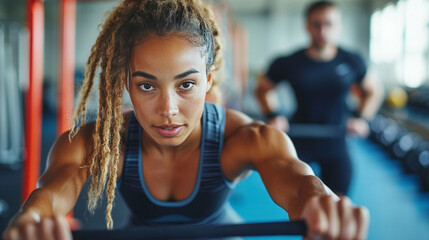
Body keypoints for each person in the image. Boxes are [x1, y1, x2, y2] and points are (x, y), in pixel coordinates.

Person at [2, 0, 369, 239]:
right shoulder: (96, 141)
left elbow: (296, 178)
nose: (168, 108)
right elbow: (51, 192)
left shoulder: (245, 138)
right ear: (125, 83)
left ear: (208, 79)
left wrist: (321, 202)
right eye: (146, 85)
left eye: (187, 84)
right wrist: (31, 217)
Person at [255, 0, 383, 195]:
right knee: (301, 204)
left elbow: (373, 91)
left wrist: (361, 118)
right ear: (307, 26)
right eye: (317, 24)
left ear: (338, 26)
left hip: (337, 141)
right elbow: (263, 89)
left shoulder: (351, 60)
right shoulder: (290, 62)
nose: (323, 31)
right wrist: (274, 114)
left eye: (329, 24)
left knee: (338, 203)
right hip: (301, 141)